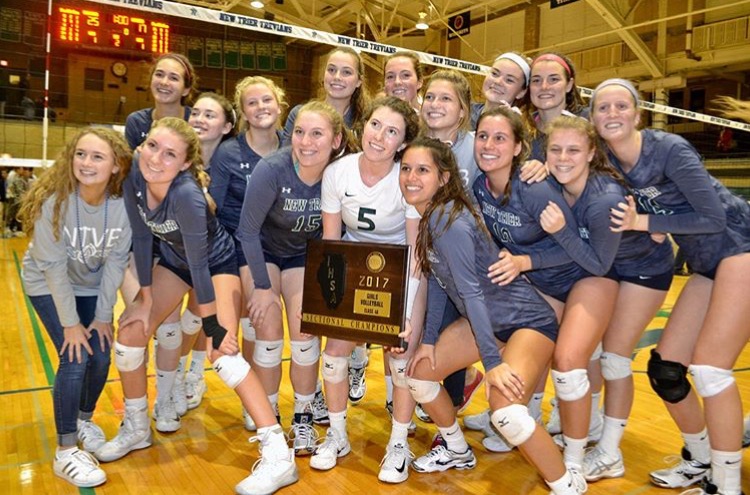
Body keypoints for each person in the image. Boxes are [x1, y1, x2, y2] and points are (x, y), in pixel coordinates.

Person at [95, 117, 298, 495]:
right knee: (131, 333)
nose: (156, 158)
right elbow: (142, 237)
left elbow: (202, 265)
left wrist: (213, 325)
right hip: (174, 262)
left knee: (222, 352)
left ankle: (278, 455)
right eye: (152, 146)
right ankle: (137, 427)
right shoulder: (135, 180)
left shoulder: (187, 195)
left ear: (186, 163)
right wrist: (145, 298)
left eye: (170, 154)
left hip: (216, 263)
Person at [399, 136, 586, 495]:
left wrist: (491, 361)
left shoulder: (445, 218)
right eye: (406, 168)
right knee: (420, 375)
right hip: (488, 322)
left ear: (443, 177)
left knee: (507, 412)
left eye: (423, 169)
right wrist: (428, 341)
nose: (410, 176)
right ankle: (455, 448)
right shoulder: (430, 218)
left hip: (528, 322)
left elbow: (469, 292)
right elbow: (439, 281)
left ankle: (568, 485)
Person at [595, 79, 750, 495]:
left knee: (712, 369)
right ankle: (699, 458)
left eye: (620, 105)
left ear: (637, 113)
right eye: (602, 107)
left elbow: (714, 217)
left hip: (741, 245)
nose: (612, 113)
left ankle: (726, 483)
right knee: (666, 370)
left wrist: (645, 223)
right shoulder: (607, 160)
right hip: (705, 262)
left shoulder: (669, 149)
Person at [312, 96, 423, 483]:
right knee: (334, 354)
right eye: (376, 124)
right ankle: (338, 435)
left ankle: (398, 443)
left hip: (401, 270)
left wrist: (406, 314)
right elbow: (331, 242)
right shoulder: (337, 172)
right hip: (354, 264)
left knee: (400, 356)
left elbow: (415, 251)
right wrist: (325, 303)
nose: (380, 136)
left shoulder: (406, 179)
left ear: (403, 143)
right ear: (365, 125)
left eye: (392, 131)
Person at [20, 127, 133, 488]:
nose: (86, 162)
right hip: (46, 284)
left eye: (97, 156)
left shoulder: (121, 207)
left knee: (101, 353)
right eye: (80, 154)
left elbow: (116, 264)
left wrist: (103, 318)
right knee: (76, 355)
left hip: (90, 287)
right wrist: (71, 325)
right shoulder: (54, 202)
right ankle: (66, 450)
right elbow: (53, 269)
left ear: (116, 166)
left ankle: (84, 418)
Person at [237, 100, 346, 461]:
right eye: (299, 131)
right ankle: (268, 417)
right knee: (267, 331)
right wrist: (264, 289)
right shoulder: (273, 169)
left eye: (317, 133)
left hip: (304, 255)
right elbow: (247, 231)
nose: (306, 141)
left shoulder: (341, 172)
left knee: (305, 333)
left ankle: (302, 416)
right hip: (263, 252)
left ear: (335, 140)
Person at [166, 92, 237, 418]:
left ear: (226, 126)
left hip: (214, 253)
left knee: (197, 315)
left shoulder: (231, 160)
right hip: (173, 252)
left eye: (210, 115)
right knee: (171, 321)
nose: (199, 119)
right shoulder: (174, 156)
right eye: (195, 113)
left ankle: (191, 374)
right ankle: (174, 377)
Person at [282, 46, 369, 145]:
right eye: (331, 70)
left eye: (346, 72)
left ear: (359, 81)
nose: (337, 77)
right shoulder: (299, 113)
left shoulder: (366, 122)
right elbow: (285, 157)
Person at [124, 53, 197, 150]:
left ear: (186, 90)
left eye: (173, 78)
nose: (164, 82)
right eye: (159, 74)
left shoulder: (196, 121)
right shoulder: (136, 122)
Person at [470, 51, 531, 128]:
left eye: (509, 80)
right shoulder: (462, 114)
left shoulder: (520, 131)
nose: (498, 82)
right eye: (494, 74)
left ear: (522, 92)